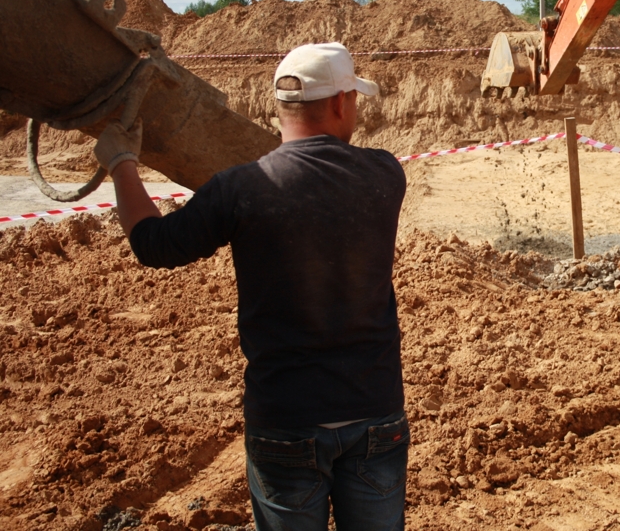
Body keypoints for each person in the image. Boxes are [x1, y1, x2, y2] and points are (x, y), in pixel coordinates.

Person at [94, 42, 409, 531]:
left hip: (285, 420)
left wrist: (121, 162)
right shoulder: (386, 174)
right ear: (340, 103)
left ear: (279, 106)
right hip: (375, 416)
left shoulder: (240, 189)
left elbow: (153, 245)